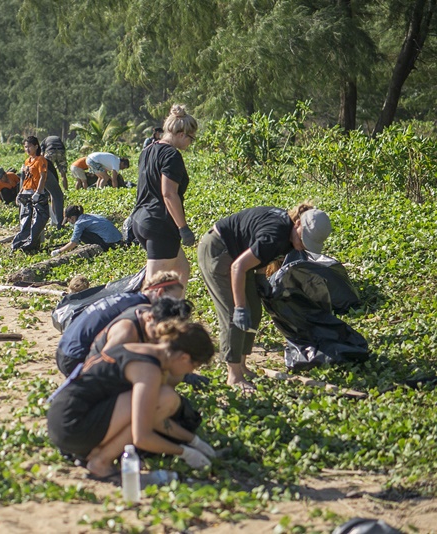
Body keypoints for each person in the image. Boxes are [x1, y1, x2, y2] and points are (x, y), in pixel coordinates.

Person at [47, 320, 217, 478]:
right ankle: (101, 461)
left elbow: (153, 419)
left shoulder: (139, 349)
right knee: (165, 398)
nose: (190, 372)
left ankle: (94, 451)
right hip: (72, 426)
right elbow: (141, 436)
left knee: (157, 401)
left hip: (59, 419)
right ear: (184, 357)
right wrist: (184, 452)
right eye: (193, 367)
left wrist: (193, 440)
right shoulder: (148, 371)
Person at [197, 204, 332, 392]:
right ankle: (233, 375)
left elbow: (259, 251)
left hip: (239, 256)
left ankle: (242, 365)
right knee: (232, 314)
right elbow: (238, 267)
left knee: (255, 308)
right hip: (218, 251)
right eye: (303, 238)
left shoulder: (287, 233)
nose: (302, 244)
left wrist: (260, 277)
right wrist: (239, 307)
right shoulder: (275, 234)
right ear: (298, 223)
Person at [55, 270, 184, 377]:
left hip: (63, 350)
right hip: (76, 360)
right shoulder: (140, 308)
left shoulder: (127, 298)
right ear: (160, 293)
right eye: (173, 301)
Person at [131, 104, 198, 286]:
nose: (190, 144)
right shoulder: (172, 156)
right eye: (191, 139)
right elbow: (168, 194)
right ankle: (143, 313)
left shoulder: (148, 150)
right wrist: (183, 228)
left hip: (140, 219)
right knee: (153, 285)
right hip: (159, 224)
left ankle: (175, 312)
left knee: (181, 269)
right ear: (182, 134)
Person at [12, 136, 49, 252]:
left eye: (29, 146)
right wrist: (20, 192)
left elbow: (43, 177)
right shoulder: (27, 161)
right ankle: (22, 243)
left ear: (36, 146)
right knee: (25, 220)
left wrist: (38, 192)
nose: (27, 149)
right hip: (26, 192)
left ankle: (33, 244)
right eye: (25, 147)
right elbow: (25, 179)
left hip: (35, 192)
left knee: (37, 220)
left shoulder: (40, 160)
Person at [51, 205, 122, 257]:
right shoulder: (89, 216)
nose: (69, 222)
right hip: (118, 239)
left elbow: (73, 243)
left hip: (109, 243)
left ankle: (102, 248)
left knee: (82, 234)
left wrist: (59, 251)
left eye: (68, 220)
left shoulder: (79, 223)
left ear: (72, 218)